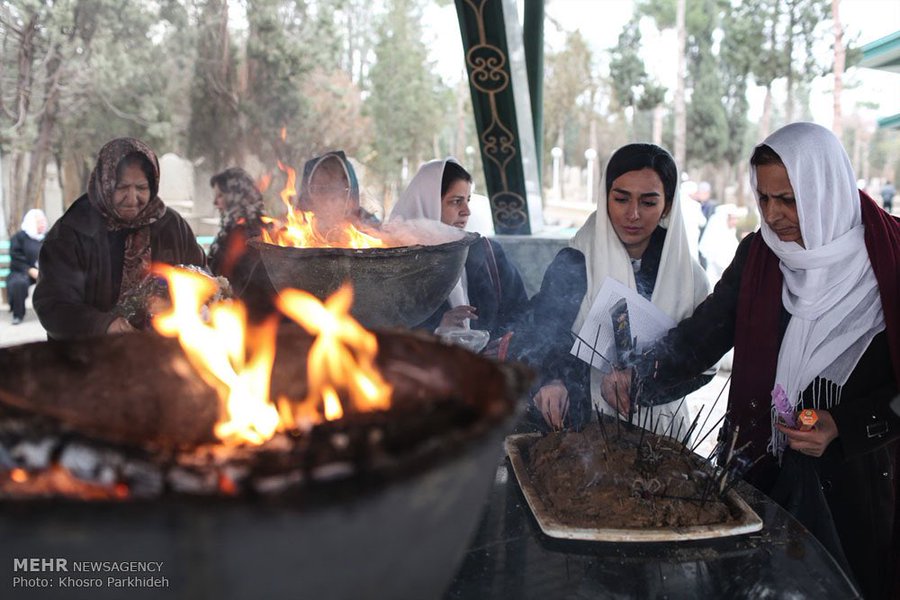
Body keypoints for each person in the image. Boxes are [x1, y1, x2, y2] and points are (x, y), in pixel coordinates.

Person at [603, 123, 899, 600]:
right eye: (763, 199)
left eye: (789, 199)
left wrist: (842, 423)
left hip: (856, 483)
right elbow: (704, 334)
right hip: (760, 462)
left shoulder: (889, 257)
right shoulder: (760, 253)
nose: (773, 215)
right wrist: (641, 377)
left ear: (826, 188)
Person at [510, 143, 712, 432]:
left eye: (648, 202)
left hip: (660, 433)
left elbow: (703, 361)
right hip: (584, 426)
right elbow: (542, 332)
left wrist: (645, 384)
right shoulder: (577, 260)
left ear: (667, 205)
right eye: (621, 199)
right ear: (605, 198)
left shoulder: (690, 277)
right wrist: (550, 379)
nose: (633, 214)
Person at [34, 137, 206, 339]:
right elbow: (53, 304)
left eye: (141, 188)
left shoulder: (170, 226)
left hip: (159, 352)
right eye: (122, 188)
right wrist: (105, 325)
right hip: (91, 357)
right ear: (105, 184)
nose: (132, 199)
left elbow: (201, 273)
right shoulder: (74, 231)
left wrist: (202, 303)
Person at [389, 158, 528, 340]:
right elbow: (386, 335)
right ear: (428, 203)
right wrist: (438, 330)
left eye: (467, 200)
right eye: (456, 201)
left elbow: (520, 311)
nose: (466, 211)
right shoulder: (397, 263)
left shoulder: (486, 252)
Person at [208, 167, 275, 318]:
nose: (215, 202)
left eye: (220, 195)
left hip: (245, 318)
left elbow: (249, 284)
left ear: (236, 196)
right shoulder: (231, 228)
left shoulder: (252, 234)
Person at [296, 150, 379, 238]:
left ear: (350, 198)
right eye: (321, 190)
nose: (328, 200)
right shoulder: (295, 232)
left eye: (336, 189)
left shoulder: (367, 231)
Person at [6, 208, 47, 325]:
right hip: (22, 271)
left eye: (43, 221)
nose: (43, 224)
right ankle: (18, 314)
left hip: (46, 271)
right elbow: (16, 257)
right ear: (31, 223)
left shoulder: (49, 236)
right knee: (18, 283)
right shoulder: (19, 238)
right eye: (39, 222)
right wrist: (29, 270)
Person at [698, 203, 739, 286]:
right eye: (733, 218)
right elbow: (720, 262)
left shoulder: (730, 234)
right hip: (717, 281)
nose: (735, 221)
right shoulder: (717, 236)